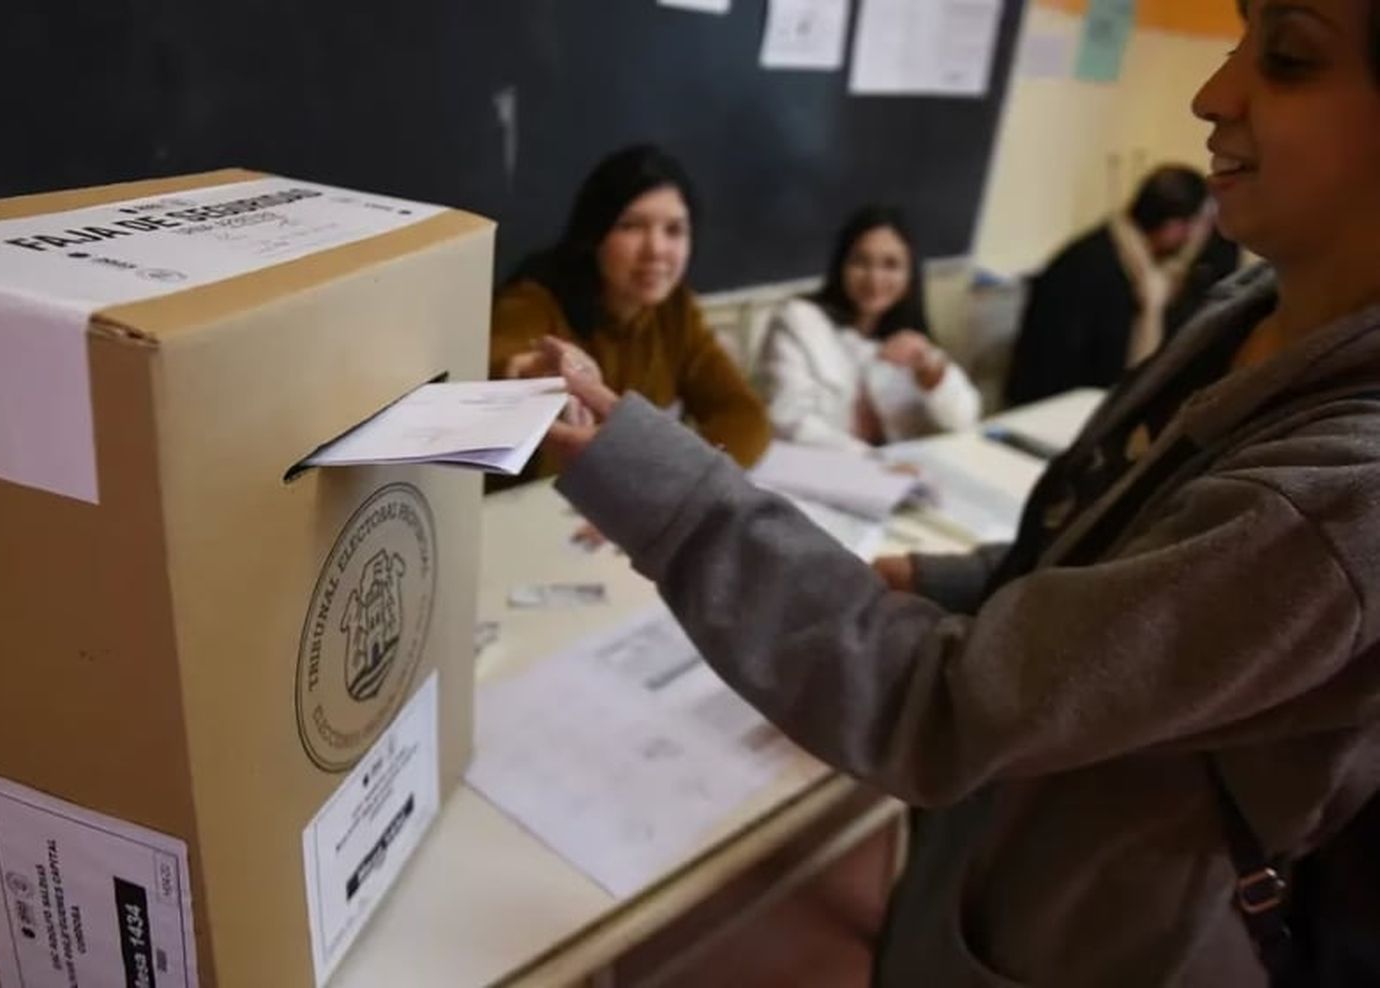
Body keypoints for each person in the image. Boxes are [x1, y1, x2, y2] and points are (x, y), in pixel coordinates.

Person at [532, 0, 1380, 982]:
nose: (1210, 90)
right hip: (992, 865)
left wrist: (658, 491)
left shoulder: (1339, 498)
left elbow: (942, 700)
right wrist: (939, 577)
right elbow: (1122, 558)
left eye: (1286, 58)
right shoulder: (1250, 307)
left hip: (1090, 940)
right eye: (1236, 38)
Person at [490, 145, 770, 479]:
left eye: (674, 230)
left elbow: (743, 414)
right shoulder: (532, 301)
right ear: (595, 233)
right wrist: (527, 372)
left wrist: (673, 480)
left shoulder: (675, 310)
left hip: (618, 510)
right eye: (632, 226)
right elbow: (503, 356)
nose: (656, 250)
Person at [1004, 165, 1240, 406]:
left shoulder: (1141, 269)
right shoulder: (1091, 268)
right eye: (1199, 225)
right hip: (1057, 412)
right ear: (1173, 229)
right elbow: (1056, 371)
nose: (1197, 239)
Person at [756, 207, 981, 453]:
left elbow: (964, 419)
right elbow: (787, 419)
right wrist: (875, 462)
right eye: (861, 262)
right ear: (841, 266)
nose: (875, 279)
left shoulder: (910, 339)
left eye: (891, 265)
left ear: (910, 276)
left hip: (898, 475)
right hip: (821, 471)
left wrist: (933, 374)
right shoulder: (798, 320)